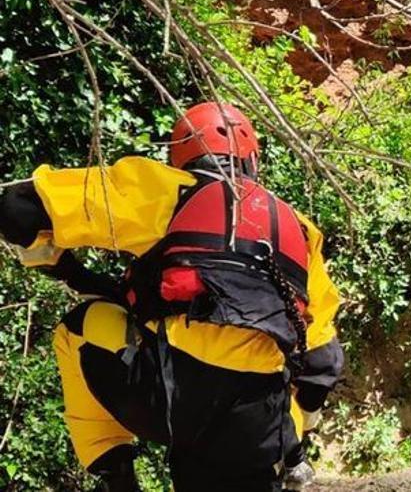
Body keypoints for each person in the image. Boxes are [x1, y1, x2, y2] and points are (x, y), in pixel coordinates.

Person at [0, 103, 344, 491]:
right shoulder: (299, 230)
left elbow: (18, 209)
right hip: (257, 428)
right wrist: (297, 434)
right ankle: (293, 462)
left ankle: (116, 476)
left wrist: (63, 267)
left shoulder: (162, 191)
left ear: (180, 158)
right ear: (252, 161)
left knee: (80, 325)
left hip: (167, 403)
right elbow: (323, 362)